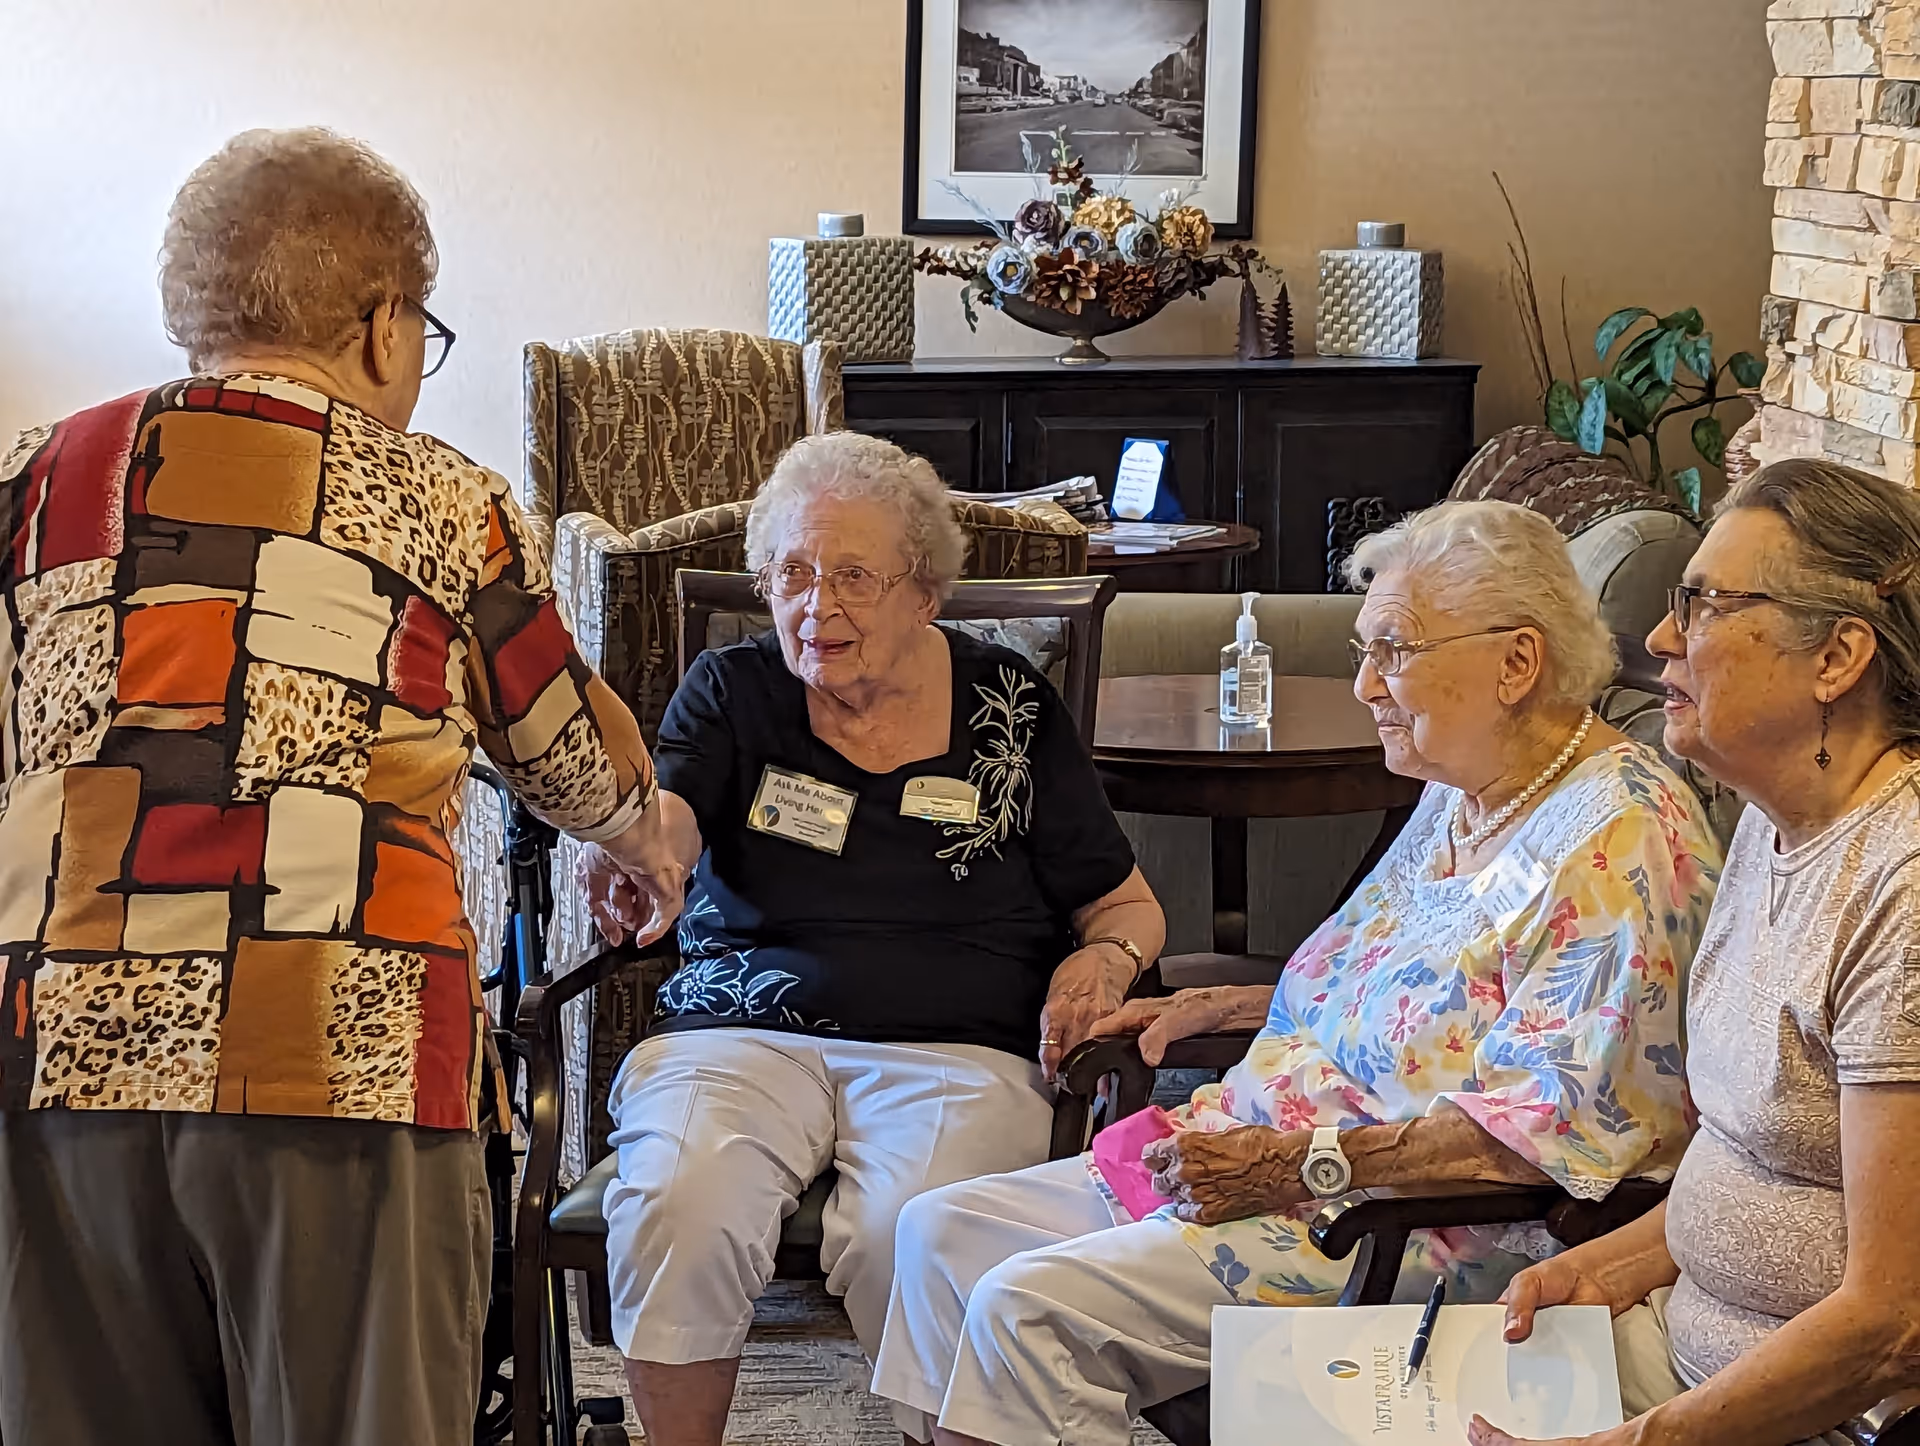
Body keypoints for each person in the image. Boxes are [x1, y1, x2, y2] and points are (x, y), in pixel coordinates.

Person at [0, 128, 681, 1446]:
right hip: (340, 1050)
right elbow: (574, 764)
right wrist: (653, 829)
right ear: (384, 326)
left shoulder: (33, 481)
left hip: (58, 1048)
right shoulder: (437, 493)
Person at [871, 498, 1724, 1446]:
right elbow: (1406, 981)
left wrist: (1293, 1163)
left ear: (1517, 663)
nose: (1364, 684)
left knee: (1025, 1309)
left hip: (1421, 1229)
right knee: (937, 1235)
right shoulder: (1466, 789)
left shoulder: (1622, 841)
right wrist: (1232, 1002)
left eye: (1393, 650)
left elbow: (1541, 1135)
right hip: (1269, 1153)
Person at [575, 428, 1166, 1446]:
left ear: (924, 593)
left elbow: (1125, 904)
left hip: (958, 1047)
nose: (818, 605)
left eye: (853, 575)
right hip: (738, 1032)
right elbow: (673, 815)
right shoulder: (736, 691)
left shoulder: (1009, 709)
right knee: (682, 1193)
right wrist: (640, 850)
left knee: (922, 1232)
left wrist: (1102, 959)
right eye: (793, 573)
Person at [1469, 460, 1920, 1446]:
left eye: (1707, 605)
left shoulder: (1904, 887)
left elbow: (1894, 1322)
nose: (1664, 638)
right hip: (1668, 1360)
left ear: (1838, 657)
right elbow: (1750, 1159)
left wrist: (1638, 1442)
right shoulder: (1775, 820)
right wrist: (1616, 1265)